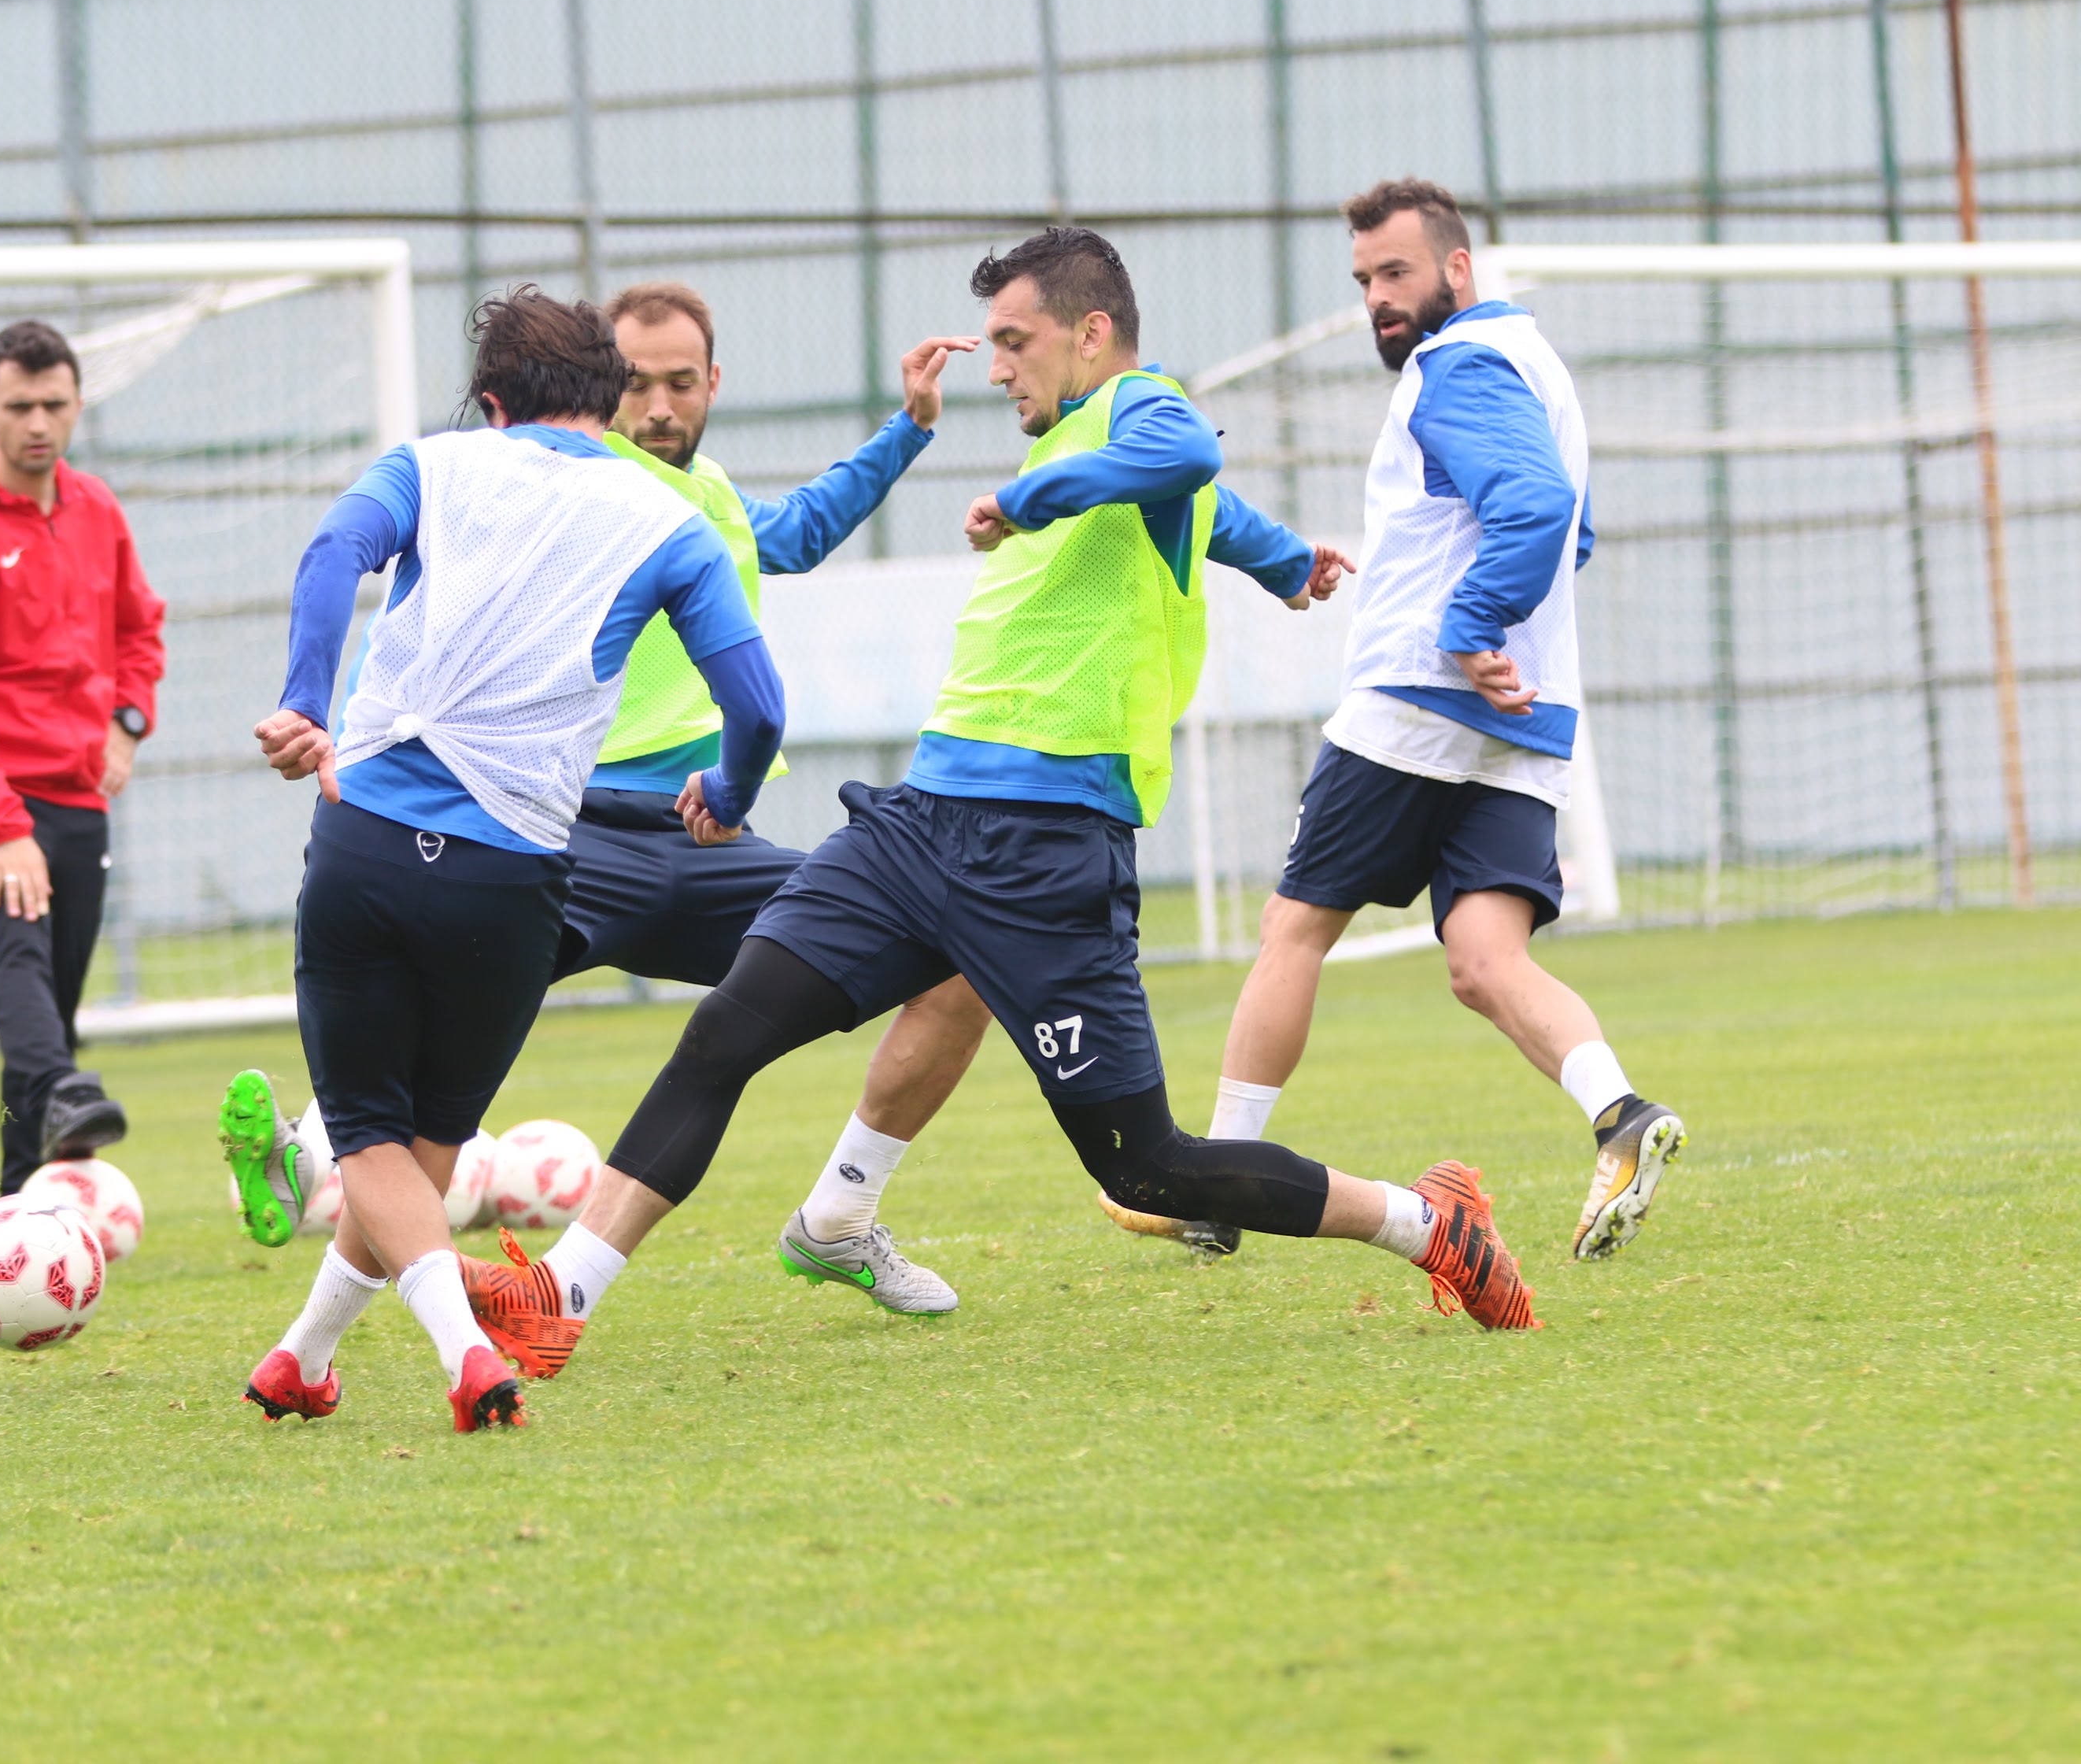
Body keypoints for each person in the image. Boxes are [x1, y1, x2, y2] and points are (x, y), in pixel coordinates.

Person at [460, 227, 1538, 1383]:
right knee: (727, 1032)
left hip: (1049, 855)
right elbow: (1197, 506)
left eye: (1015, 342)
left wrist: (1035, 499)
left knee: (1149, 1168)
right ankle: (562, 1295)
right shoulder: (1095, 439)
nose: (996, 367)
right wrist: (1281, 561)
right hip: (918, 825)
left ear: (1091, 334)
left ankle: (1428, 1223)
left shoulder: (1140, 407)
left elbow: (1175, 457)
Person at [227, 286, 786, 1434]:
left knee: (374, 1137)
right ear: (612, 393)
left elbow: (335, 549)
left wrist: (303, 701)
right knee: (420, 1146)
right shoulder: (665, 521)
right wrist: (727, 795)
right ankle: (305, 1355)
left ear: (491, 402)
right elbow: (760, 705)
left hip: (367, 842)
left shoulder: (431, 467)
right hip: (510, 877)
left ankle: (465, 1354)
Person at [1148, 178, 1684, 1266]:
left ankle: (1214, 1185)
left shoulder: (1458, 366)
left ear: (1458, 267)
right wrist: (1502, 632)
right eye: (1364, 281)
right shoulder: (1542, 365)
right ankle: (1622, 1116)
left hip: (1417, 701)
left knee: (1295, 928)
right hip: (1525, 714)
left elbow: (1534, 514)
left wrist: (1472, 624)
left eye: (1395, 274)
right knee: (1484, 959)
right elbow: (1567, 533)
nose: (1378, 300)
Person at [557, 281, 992, 1318]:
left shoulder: (704, 489)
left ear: (713, 384)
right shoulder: (578, 486)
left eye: (678, 384)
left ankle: (841, 1213)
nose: (657, 407)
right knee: (436, 1007)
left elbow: (789, 534)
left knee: (961, 949)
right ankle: (317, 1157)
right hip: (578, 836)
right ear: (599, 393)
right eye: (633, 386)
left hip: (711, 845)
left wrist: (908, 431)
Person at [0, 320, 166, 1197]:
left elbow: (140, 625)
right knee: (17, 960)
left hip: (77, 790)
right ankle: (63, 1099)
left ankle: (14, 1200)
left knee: (51, 1005)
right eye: (20, 406)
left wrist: (127, 718)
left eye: (54, 404)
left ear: (78, 405)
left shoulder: (96, 508)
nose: (38, 423)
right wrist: (0, 826)